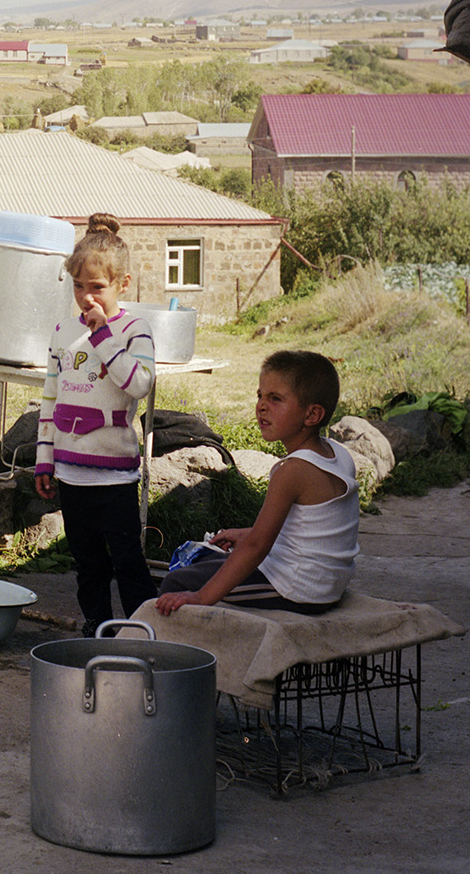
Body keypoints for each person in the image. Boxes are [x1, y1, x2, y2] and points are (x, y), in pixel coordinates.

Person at [155, 350, 358, 616]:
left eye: (275, 399)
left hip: (297, 589)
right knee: (208, 559)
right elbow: (312, 529)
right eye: (260, 395)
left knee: (177, 581)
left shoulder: (292, 470)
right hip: (323, 581)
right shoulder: (337, 453)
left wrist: (201, 597)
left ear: (312, 415)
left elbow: (256, 547)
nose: (262, 406)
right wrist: (245, 533)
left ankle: (181, 654)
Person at [35, 213, 157, 636]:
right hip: (70, 472)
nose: (87, 298)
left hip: (113, 475)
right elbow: (50, 398)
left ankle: (146, 632)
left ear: (122, 285)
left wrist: (104, 336)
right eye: (79, 287)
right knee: (87, 562)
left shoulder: (133, 330)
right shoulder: (62, 332)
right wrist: (44, 461)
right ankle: (97, 630)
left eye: (98, 288)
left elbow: (139, 384)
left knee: (126, 559)